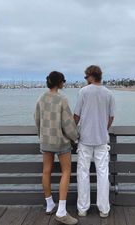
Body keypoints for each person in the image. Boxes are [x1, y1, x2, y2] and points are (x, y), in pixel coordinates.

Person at [35, 71, 78, 225]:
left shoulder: (41, 97)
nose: (64, 83)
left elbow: (37, 119)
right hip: (60, 142)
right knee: (66, 171)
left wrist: (42, 136)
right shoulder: (62, 99)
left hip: (46, 141)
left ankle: (49, 204)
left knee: (46, 170)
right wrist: (75, 137)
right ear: (59, 82)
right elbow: (68, 124)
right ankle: (61, 211)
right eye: (63, 81)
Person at [74, 65, 115, 218]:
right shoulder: (109, 93)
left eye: (86, 77)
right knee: (103, 174)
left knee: (82, 173)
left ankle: (83, 208)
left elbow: (76, 115)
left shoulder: (83, 92)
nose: (85, 80)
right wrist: (103, 129)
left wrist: (73, 130)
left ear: (91, 76)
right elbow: (111, 117)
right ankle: (104, 209)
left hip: (85, 139)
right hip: (102, 140)